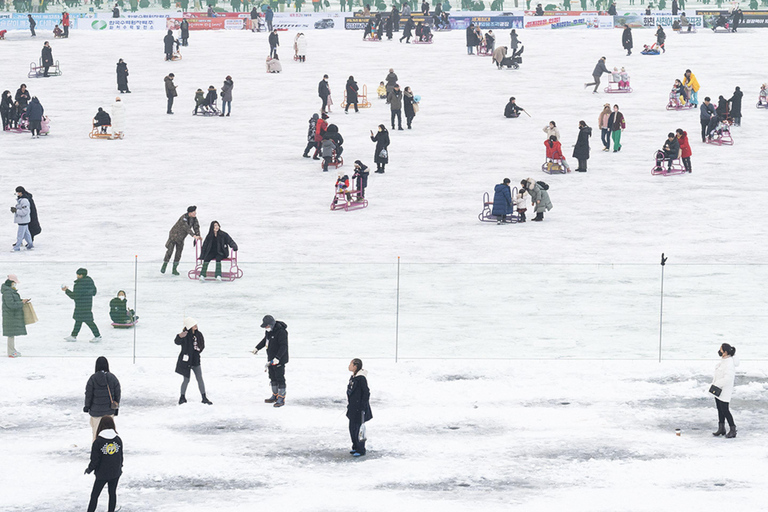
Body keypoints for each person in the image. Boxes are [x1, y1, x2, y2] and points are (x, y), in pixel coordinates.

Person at [85, 416, 123, 512]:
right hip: (115, 473)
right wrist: (120, 467)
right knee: (112, 493)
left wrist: (89, 469)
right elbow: (120, 456)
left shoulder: (98, 442)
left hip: (102, 474)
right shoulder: (118, 440)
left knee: (94, 495)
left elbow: (95, 460)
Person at [252, 315, 289, 408]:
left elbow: (283, 346)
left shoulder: (281, 332)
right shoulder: (268, 332)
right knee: (272, 376)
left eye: (266, 326)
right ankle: (275, 395)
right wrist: (257, 348)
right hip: (271, 359)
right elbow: (265, 340)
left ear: (271, 324)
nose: (265, 328)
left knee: (279, 377)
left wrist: (278, 358)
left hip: (279, 359)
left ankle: (281, 398)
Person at [175, 317, 212, 405]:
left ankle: (204, 397)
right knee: (186, 380)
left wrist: (197, 348)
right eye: (193, 324)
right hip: (186, 361)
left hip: (195, 361)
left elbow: (202, 345)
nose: (196, 325)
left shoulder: (199, 334)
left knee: (200, 379)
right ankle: (182, 397)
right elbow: (176, 342)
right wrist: (179, 336)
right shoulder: (185, 334)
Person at [84, 356, 121, 440]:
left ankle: (96, 450)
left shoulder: (92, 379)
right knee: (109, 433)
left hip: (95, 411)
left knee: (96, 434)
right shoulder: (113, 378)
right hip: (109, 411)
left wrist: (87, 407)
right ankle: (108, 450)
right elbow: (117, 393)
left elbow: (88, 395)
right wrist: (116, 408)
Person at [63, 268, 101, 343]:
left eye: (78, 274)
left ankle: (97, 336)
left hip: (81, 305)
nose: (77, 276)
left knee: (88, 321)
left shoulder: (80, 284)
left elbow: (74, 296)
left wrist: (66, 290)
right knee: (78, 320)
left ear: (81, 275)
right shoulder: (90, 282)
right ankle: (73, 335)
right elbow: (94, 292)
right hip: (87, 304)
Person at [162, 206, 201, 275]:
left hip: (181, 238)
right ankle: (164, 265)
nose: (195, 213)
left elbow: (196, 227)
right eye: (194, 212)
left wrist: (198, 235)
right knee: (169, 252)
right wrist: (193, 235)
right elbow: (187, 228)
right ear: (190, 213)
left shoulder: (194, 219)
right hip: (173, 236)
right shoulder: (183, 218)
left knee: (178, 254)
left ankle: (174, 269)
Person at [711, 343, 738, 438]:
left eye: (721, 349)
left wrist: (717, 384)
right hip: (718, 390)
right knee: (720, 409)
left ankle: (733, 429)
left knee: (725, 410)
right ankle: (721, 428)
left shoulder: (729, 363)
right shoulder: (724, 361)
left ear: (725, 352)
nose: (719, 351)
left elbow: (728, 378)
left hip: (724, 390)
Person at [346, 358, 372, 457]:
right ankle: (355, 446)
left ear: (355, 366)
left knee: (358, 429)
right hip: (353, 408)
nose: (349, 366)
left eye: (350, 364)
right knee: (352, 428)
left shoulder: (361, 378)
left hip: (359, 409)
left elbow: (366, 393)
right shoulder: (353, 377)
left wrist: (362, 407)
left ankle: (361, 449)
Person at [2, 274, 29, 358]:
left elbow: (12, 301)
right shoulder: (7, 292)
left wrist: (22, 301)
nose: (15, 284)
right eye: (14, 282)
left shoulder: (10, 291)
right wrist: (21, 303)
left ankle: (12, 350)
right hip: (10, 316)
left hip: (11, 315)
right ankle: (10, 352)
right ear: (11, 282)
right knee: (10, 334)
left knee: (11, 334)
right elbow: (11, 304)